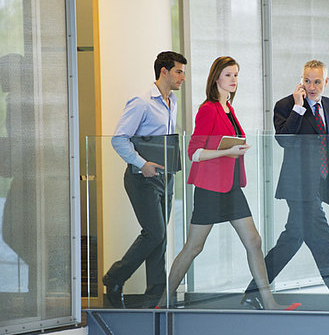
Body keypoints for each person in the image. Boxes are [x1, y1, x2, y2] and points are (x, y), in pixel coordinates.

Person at [159, 56, 299, 310]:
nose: (234, 80)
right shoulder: (208, 109)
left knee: (254, 241)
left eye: (236, 75)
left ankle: (268, 302)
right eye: (228, 75)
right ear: (216, 78)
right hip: (210, 189)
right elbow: (194, 152)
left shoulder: (229, 109)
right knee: (194, 247)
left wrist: (235, 148)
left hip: (232, 187)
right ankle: (163, 300)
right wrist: (227, 152)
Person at [242, 59, 329, 311]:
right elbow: (284, 141)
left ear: (326, 82)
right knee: (323, 243)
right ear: (301, 80)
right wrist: (299, 108)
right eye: (307, 81)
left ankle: (253, 293)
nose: (312, 87)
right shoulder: (286, 106)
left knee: (291, 241)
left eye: (317, 81)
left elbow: (325, 137)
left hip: (317, 185)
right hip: (297, 186)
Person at [103, 51, 187, 308]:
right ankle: (115, 277)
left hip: (166, 178)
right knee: (154, 233)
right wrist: (142, 164)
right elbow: (119, 139)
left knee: (159, 238)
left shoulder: (171, 102)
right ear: (164, 71)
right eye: (179, 71)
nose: (183, 77)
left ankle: (156, 294)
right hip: (142, 178)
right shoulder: (141, 103)